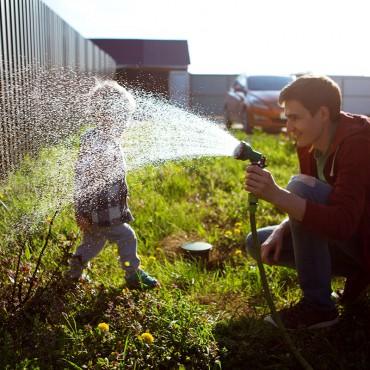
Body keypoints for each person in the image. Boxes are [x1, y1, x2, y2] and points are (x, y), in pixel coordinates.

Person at [245, 75, 370, 329]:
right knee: (257, 242)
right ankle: (349, 280)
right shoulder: (310, 143)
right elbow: (315, 204)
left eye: (295, 117)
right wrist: (282, 227)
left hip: (363, 240)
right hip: (352, 239)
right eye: (287, 118)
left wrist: (278, 195)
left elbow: (344, 223)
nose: (288, 127)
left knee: (299, 186)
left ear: (323, 113)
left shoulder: (359, 143)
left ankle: (319, 308)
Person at [67, 80, 159, 290]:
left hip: (102, 210)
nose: (126, 123)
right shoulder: (97, 142)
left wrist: (122, 194)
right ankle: (132, 273)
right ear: (107, 116)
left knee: (92, 243)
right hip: (101, 212)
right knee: (127, 237)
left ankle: (72, 274)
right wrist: (81, 210)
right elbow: (82, 178)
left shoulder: (105, 139)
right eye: (123, 117)